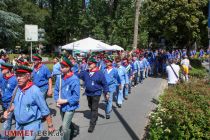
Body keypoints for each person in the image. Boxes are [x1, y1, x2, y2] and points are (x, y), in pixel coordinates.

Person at [4, 65, 55, 140]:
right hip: (20, 124)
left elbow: (44, 109)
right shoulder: (17, 88)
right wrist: (7, 111)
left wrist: (50, 125)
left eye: (21, 76)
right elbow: (15, 104)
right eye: (17, 76)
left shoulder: (35, 90)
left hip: (31, 125)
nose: (18, 78)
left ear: (28, 76)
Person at [79, 56, 109, 133]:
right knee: (90, 106)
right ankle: (95, 115)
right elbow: (77, 75)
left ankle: (92, 125)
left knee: (94, 108)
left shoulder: (100, 73)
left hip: (96, 93)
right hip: (88, 93)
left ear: (95, 64)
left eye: (90, 64)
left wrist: (106, 93)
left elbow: (105, 84)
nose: (89, 65)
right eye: (88, 63)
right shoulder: (86, 72)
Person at [54, 57, 80, 140]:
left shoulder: (74, 79)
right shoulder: (60, 78)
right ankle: (73, 130)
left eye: (63, 67)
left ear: (69, 68)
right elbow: (56, 91)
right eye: (60, 67)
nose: (61, 68)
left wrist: (64, 101)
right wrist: (57, 101)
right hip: (62, 106)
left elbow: (76, 97)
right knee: (66, 123)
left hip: (70, 106)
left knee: (64, 127)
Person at [0, 63, 17, 132]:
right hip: (3, 103)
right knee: (16, 118)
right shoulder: (2, 78)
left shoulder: (15, 80)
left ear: (7, 70)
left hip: (10, 104)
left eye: (2, 69)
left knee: (7, 122)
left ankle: (4, 137)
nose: (1, 70)